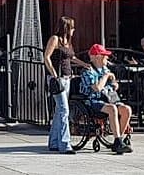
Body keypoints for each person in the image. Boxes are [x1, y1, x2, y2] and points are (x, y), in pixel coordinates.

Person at [80, 44, 131, 154]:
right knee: (112, 109)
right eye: (105, 56)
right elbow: (97, 88)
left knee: (126, 109)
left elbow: (113, 86)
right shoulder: (87, 71)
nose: (107, 58)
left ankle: (118, 140)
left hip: (108, 99)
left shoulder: (105, 69)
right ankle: (118, 142)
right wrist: (106, 77)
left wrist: (114, 83)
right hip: (93, 101)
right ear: (98, 56)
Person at [43, 17, 77, 154]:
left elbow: (72, 58)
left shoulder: (68, 42)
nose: (74, 30)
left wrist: (85, 64)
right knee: (64, 110)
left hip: (67, 78)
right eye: (72, 27)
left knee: (59, 111)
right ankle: (65, 143)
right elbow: (46, 56)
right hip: (57, 79)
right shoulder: (55, 39)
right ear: (67, 28)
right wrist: (54, 74)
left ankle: (53, 142)